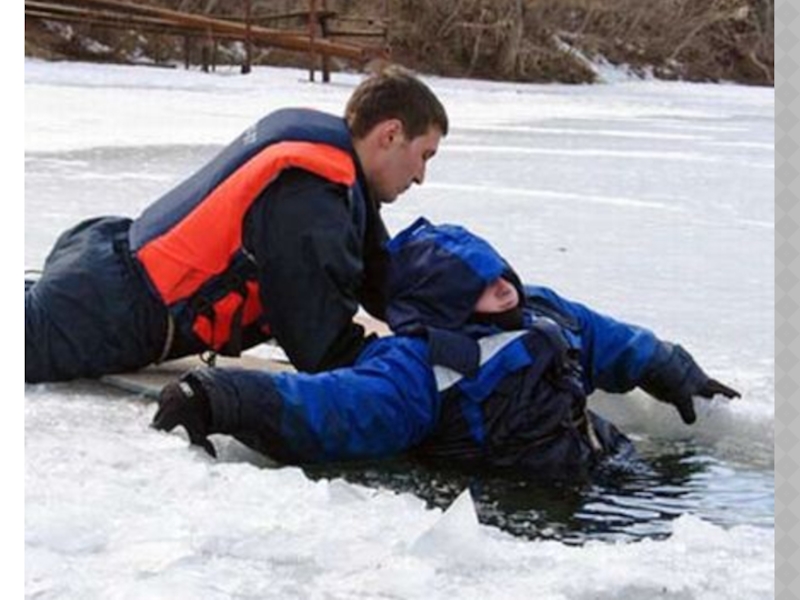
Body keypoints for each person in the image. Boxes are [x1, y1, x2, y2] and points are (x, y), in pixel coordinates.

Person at [151, 218, 740, 480]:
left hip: (606, 461)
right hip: (533, 495)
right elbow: (335, 406)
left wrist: (671, 367)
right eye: (479, 284)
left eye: (498, 270)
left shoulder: (539, 308)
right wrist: (217, 394)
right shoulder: (419, 363)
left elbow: (610, 338)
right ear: (440, 301)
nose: (501, 285)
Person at [25, 66, 448, 383]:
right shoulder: (310, 199)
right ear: (390, 134)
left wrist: (478, 306)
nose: (421, 176)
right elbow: (318, 345)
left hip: (103, 259)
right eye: (425, 155)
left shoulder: (326, 159)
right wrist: (413, 370)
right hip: (106, 311)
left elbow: (379, 272)